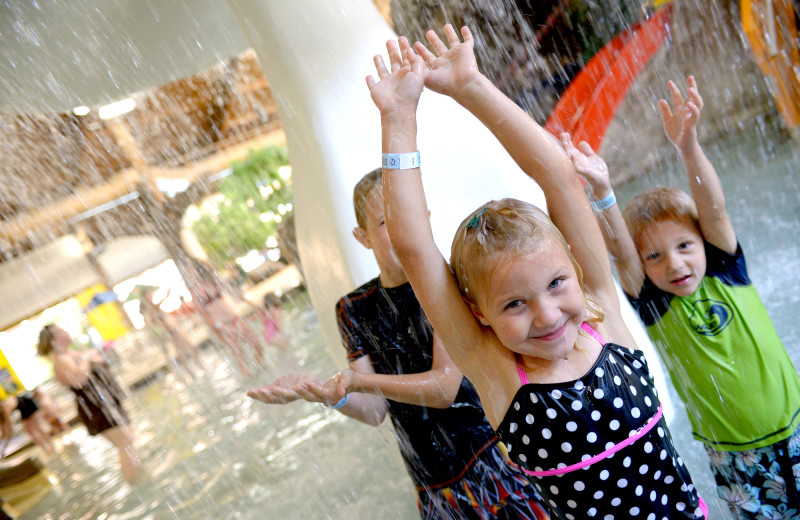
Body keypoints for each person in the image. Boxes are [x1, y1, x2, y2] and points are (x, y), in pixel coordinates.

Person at [369, 24, 708, 519]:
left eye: (555, 284)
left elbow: (561, 180)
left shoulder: (599, 311)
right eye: (513, 304)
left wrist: (472, 87)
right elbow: (416, 250)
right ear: (477, 313)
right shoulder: (499, 371)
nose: (546, 314)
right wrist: (398, 118)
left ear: (575, 266)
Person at [248, 168, 550, 520]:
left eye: (407, 218)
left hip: (495, 461)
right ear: (362, 237)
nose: (400, 231)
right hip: (434, 490)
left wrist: (357, 382)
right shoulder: (353, 309)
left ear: (425, 218)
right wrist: (328, 394)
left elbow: (443, 388)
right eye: (384, 223)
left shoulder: (446, 283)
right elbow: (375, 411)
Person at [563, 76, 800, 519]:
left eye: (685, 247)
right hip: (735, 457)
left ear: (704, 244)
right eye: (654, 256)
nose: (674, 264)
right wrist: (601, 190)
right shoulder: (656, 305)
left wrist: (688, 146)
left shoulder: (728, 273)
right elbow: (619, 251)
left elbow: (714, 209)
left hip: (798, 426)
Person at [37, 324, 139, 481]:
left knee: (128, 442)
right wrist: (85, 358)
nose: (66, 331)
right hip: (95, 406)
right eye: (61, 331)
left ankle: (138, 476)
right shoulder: (61, 360)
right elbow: (78, 381)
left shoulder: (69, 353)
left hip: (104, 401)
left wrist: (87, 357)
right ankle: (136, 482)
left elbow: (98, 358)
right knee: (125, 443)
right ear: (53, 341)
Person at [192, 264, 264, 377]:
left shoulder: (216, 283)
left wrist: (252, 303)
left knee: (257, 345)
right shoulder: (197, 291)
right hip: (223, 325)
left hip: (234, 319)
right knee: (240, 355)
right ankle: (251, 380)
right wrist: (218, 326)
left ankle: (259, 368)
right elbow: (203, 314)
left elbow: (234, 293)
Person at [138, 287, 201, 372]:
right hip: (171, 331)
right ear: (146, 297)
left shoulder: (154, 307)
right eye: (149, 294)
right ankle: (193, 368)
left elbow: (161, 303)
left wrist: (168, 293)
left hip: (173, 330)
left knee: (183, 350)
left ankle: (193, 368)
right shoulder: (150, 310)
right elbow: (153, 322)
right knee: (184, 349)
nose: (151, 295)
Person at [0, 391, 54, 458]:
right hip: (23, 408)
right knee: (30, 432)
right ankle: (46, 449)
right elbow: (3, 432)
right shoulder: (3, 412)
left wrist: (3, 449)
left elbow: (9, 430)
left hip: (28, 405)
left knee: (35, 430)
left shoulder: (5, 409)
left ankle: (50, 447)